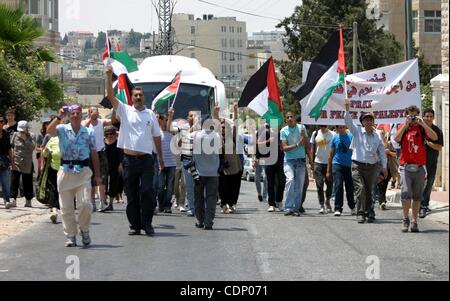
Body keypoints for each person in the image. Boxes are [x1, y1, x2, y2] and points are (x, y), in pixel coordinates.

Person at [106, 66, 164, 236]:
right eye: (135, 95)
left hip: (146, 160)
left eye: (140, 95)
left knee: (147, 191)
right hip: (129, 160)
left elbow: (157, 137)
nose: (138, 97)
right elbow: (110, 96)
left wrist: (160, 158)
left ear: (143, 97)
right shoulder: (125, 110)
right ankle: (135, 225)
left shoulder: (150, 115)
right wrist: (109, 76)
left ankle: (147, 223)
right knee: (131, 194)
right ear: (131, 98)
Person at [47, 104, 101, 247]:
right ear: (69, 116)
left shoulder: (88, 132)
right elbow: (49, 131)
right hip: (66, 171)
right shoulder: (62, 129)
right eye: (72, 114)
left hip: (83, 171)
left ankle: (84, 230)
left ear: (81, 115)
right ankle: (71, 235)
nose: (75, 116)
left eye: (78, 113)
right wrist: (59, 116)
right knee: (66, 208)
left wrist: (98, 175)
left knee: (85, 204)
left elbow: (94, 154)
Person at [394, 105, 437, 232]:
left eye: (414, 115)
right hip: (406, 167)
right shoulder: (403, 129)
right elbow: (396, 139)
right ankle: (405, 218)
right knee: (406, 193)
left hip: (419, 167)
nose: (412, 118)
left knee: (417, 196)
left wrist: (422, 124)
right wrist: (406, 124)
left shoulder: (422, 129)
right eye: (410, 115)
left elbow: (434, 137)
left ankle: (414, 221)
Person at [344, 99, 387, 224]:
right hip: (358, 165)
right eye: (366, 120)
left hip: (372, 167)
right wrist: (347, 110)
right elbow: (348, 122)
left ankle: (369, 211)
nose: (368, 122)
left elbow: (382, 152)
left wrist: (384, 166)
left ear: (373, 122)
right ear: (362, 122)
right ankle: (360, 213)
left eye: (370, 120)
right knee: (360, 189)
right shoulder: (357, 131)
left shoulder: (378, 135)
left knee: (369, 191)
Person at [192, 110, 221, 230]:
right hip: (213, 172)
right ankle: (209, 221)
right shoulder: (217, 135)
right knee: (211, 198)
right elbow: (220, 150)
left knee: (198, 197)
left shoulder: (197, 135)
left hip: (199, 172)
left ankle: (200, 220)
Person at [82, 107, 111, 212]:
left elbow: (112, 120)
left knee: (102, 177)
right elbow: (81, 129)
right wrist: (90, 119)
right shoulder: (85, 122)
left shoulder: (101, 122)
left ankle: (102, 202)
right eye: (91, 111)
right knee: (90, 178)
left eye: (95, 111)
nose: (94, 113)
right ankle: (92, 202)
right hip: (89, 153)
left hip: (100, 152)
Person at [280, 112, 308, 217]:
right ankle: (288, 207)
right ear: (286, 120)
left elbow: (306, 144)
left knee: (299, 186)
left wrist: (303, 136)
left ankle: (296, 208)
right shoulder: (283, 131)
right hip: (289, 160)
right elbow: (284, 148)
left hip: (301, 160)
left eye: (292, 116)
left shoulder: (302, 128)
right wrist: (296, 144)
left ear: (295, 118)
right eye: (288, 117)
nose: (290, 118)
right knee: (290, 180)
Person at [327, 125, 356, 216]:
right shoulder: (335, 138)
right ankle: (338, 208)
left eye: (343, 127)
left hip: (349, 165)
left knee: (349, 187)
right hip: (337, 164)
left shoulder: (351, 136)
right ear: (337, 129)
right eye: (340, 127)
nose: (342, 129)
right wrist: (328, 170)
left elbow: (355, 150)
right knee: (338, 186)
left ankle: (352, 206)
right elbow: (331, 154)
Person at [420, 108, 444, 218]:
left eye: (431, 116)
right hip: (418, 164)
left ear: (433, 118)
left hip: (431, 163)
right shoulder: (418, 129)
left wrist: (427, 143)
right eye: (427, 116)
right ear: (423, 117)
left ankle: (424, 206)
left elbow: (439, 147)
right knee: (419, 186)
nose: (429, 118)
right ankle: (419, 204)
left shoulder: (437, 131)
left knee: (428, 185)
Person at [9, 121, 35, 208]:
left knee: (27, 182)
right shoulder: (15, 135)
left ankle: (28, 200)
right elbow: (12, 147)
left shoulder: (31, 135)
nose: (21, 132)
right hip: (16, 161)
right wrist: (12, 160)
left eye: (23, 130)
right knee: (14, 181)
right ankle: (13, 199)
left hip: (27, 162)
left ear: (27, 129)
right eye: (20, 130)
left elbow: (33, 147)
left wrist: (25, 139)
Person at [311, 125, 335, 214]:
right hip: (318, 162)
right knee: (319, 184)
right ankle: (321, 204)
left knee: (329, 184)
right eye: (321, 125)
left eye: (325, 125)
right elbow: (312, 148)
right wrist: (311, 162)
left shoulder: (333, 134)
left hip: (330, 163)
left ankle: (327, 200)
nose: (323, 127)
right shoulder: (315, 133)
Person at [157, 110, 177, 214]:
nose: (166, 122)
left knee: (170, 187)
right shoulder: (156, 132)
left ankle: (167, 205)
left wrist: (171, 115)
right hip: (160, 163)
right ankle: (160, 203)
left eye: (167, 120)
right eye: (164, 120)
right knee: (160, 186)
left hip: (171, 163)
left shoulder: (171, 132)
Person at [102, 125, 123, 212]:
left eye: (111, 134)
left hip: (115, 166)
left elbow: (122, 155)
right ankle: (103, 201)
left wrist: (121, 165)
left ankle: (110, 203)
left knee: (114, 184)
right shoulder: (102, 143)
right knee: (103, 183)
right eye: (107, 134)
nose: (109, 136)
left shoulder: (119, 143)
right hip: (104, 166)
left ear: (115, 134)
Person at [42, 133, 61, 223]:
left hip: (67, 170)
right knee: (55, 190)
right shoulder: (53, 140)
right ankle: (55, 211)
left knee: (63, 190)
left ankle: (61, 211)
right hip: (55, 169)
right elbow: (44, 154)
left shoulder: (71, 139)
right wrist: (46, 150)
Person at [0, 116, 13, 207]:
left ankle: (7, 200)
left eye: (1, 122)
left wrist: (12, 161)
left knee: (6, 181)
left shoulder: (6, 133)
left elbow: (9, 148)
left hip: (4, 159)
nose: (0, 123)